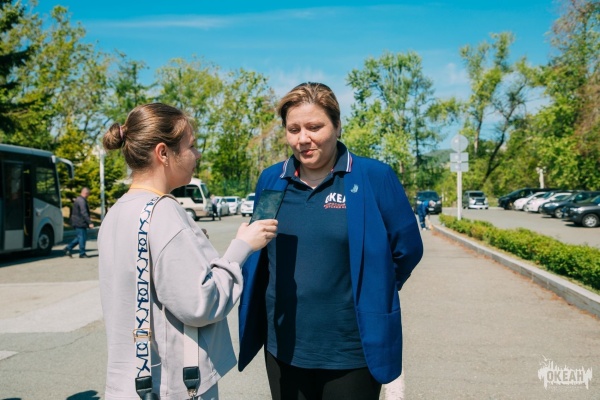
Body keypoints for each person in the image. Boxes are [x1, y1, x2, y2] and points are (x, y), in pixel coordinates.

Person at [237, 82, 424, 400]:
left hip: (352, 351)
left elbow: (407, 249)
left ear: (337, 126)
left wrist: (374, 287)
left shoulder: (374, 177)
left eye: (314, 127)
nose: (302, 139)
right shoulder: (272, 179)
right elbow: (261, 251)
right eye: (293, 129)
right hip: (283, 348)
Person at [98, 103, 278, 399]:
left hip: (132, 381)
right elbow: (200, 304)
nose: (198, 154)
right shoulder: (164, 213)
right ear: (163, 153)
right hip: (174, 385)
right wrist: (242, 247)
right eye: (191, 145)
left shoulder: (118, 210)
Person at [64, 187, 94, 258]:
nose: (88, 196)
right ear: (86, 193)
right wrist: (89, 222)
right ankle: (82, 253)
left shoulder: (79, 199)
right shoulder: (81, 201)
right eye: (88, 194)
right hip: (80, 222)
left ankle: (68, 248)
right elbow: (84, 212)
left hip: (78, 221)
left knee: (80, 237)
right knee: (82, 238)